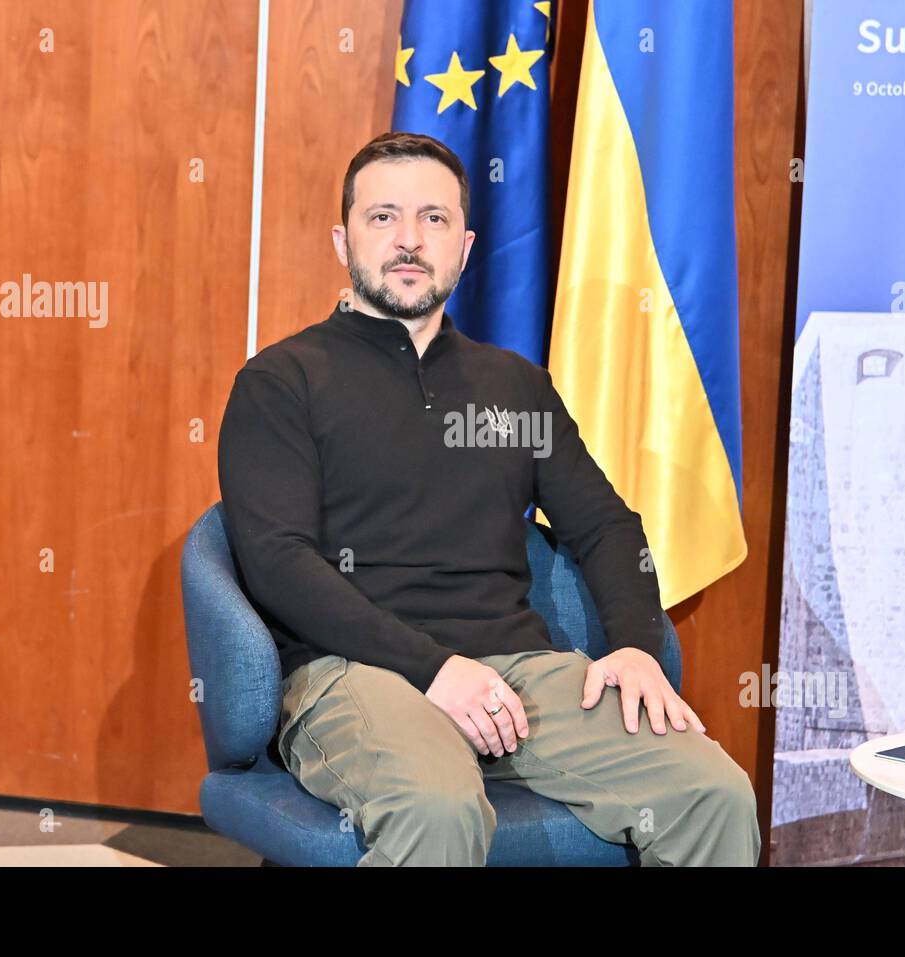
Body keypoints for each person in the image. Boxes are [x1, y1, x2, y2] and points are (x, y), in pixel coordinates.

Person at [217, 131, 760, 866]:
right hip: (352, 671)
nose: (409, 240)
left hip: (521, 676)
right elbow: (279, 563)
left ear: (465, 247)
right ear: (341, 239)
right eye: (383, 218)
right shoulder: (281, 381)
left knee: (715, 792)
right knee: (437, 807)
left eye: (433, 219)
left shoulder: (514, 385)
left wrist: (634, 643)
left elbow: (606, 525)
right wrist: (434, 668)